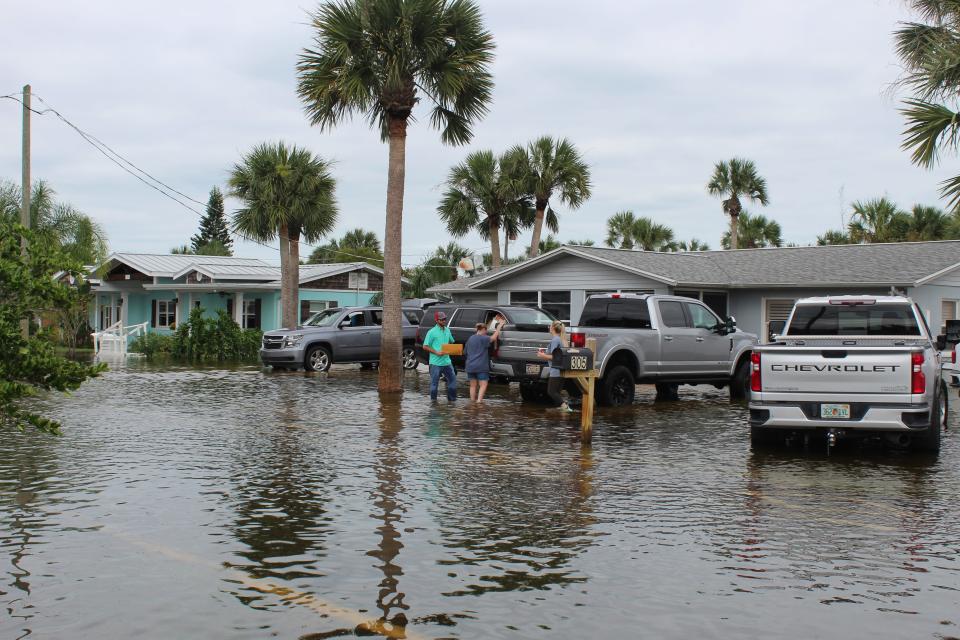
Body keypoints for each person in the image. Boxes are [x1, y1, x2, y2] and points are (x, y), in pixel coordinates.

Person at [463, 314, 506, 403]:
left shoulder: (470, 338)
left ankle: (472, 402)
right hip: (481, 366)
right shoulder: (484, 338)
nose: (486, 333)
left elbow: (465, 352)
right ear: (483, 330)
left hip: (470, 366)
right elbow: (493, 338)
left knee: (472, 386)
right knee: (483, 384)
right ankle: (479, 402)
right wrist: (499, 326)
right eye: (485, 331)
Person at [537, 320, 574, 412]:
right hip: (561, 371)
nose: (549, 327)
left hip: (555, 370)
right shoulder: (561, 339)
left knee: (551, 392)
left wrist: (542, 355)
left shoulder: (555, 340)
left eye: (550, 326)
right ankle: (561, 413)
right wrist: (545, 353)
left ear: (553, 328)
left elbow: (554, 357)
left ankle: (565, 407)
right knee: (557, 393)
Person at [422, 311, 457, 402]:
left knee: (452, 381)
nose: (444, 321)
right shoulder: (431, 332)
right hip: (435, 363)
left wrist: (453, 349)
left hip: (447, 362)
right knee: (434, 384)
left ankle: (452, 402)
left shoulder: (447, 330)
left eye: (444, 319)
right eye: (441, 319)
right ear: (436, 320)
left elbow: (452, 342)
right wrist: (436, 352)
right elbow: (425, 346)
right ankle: (433, 403)